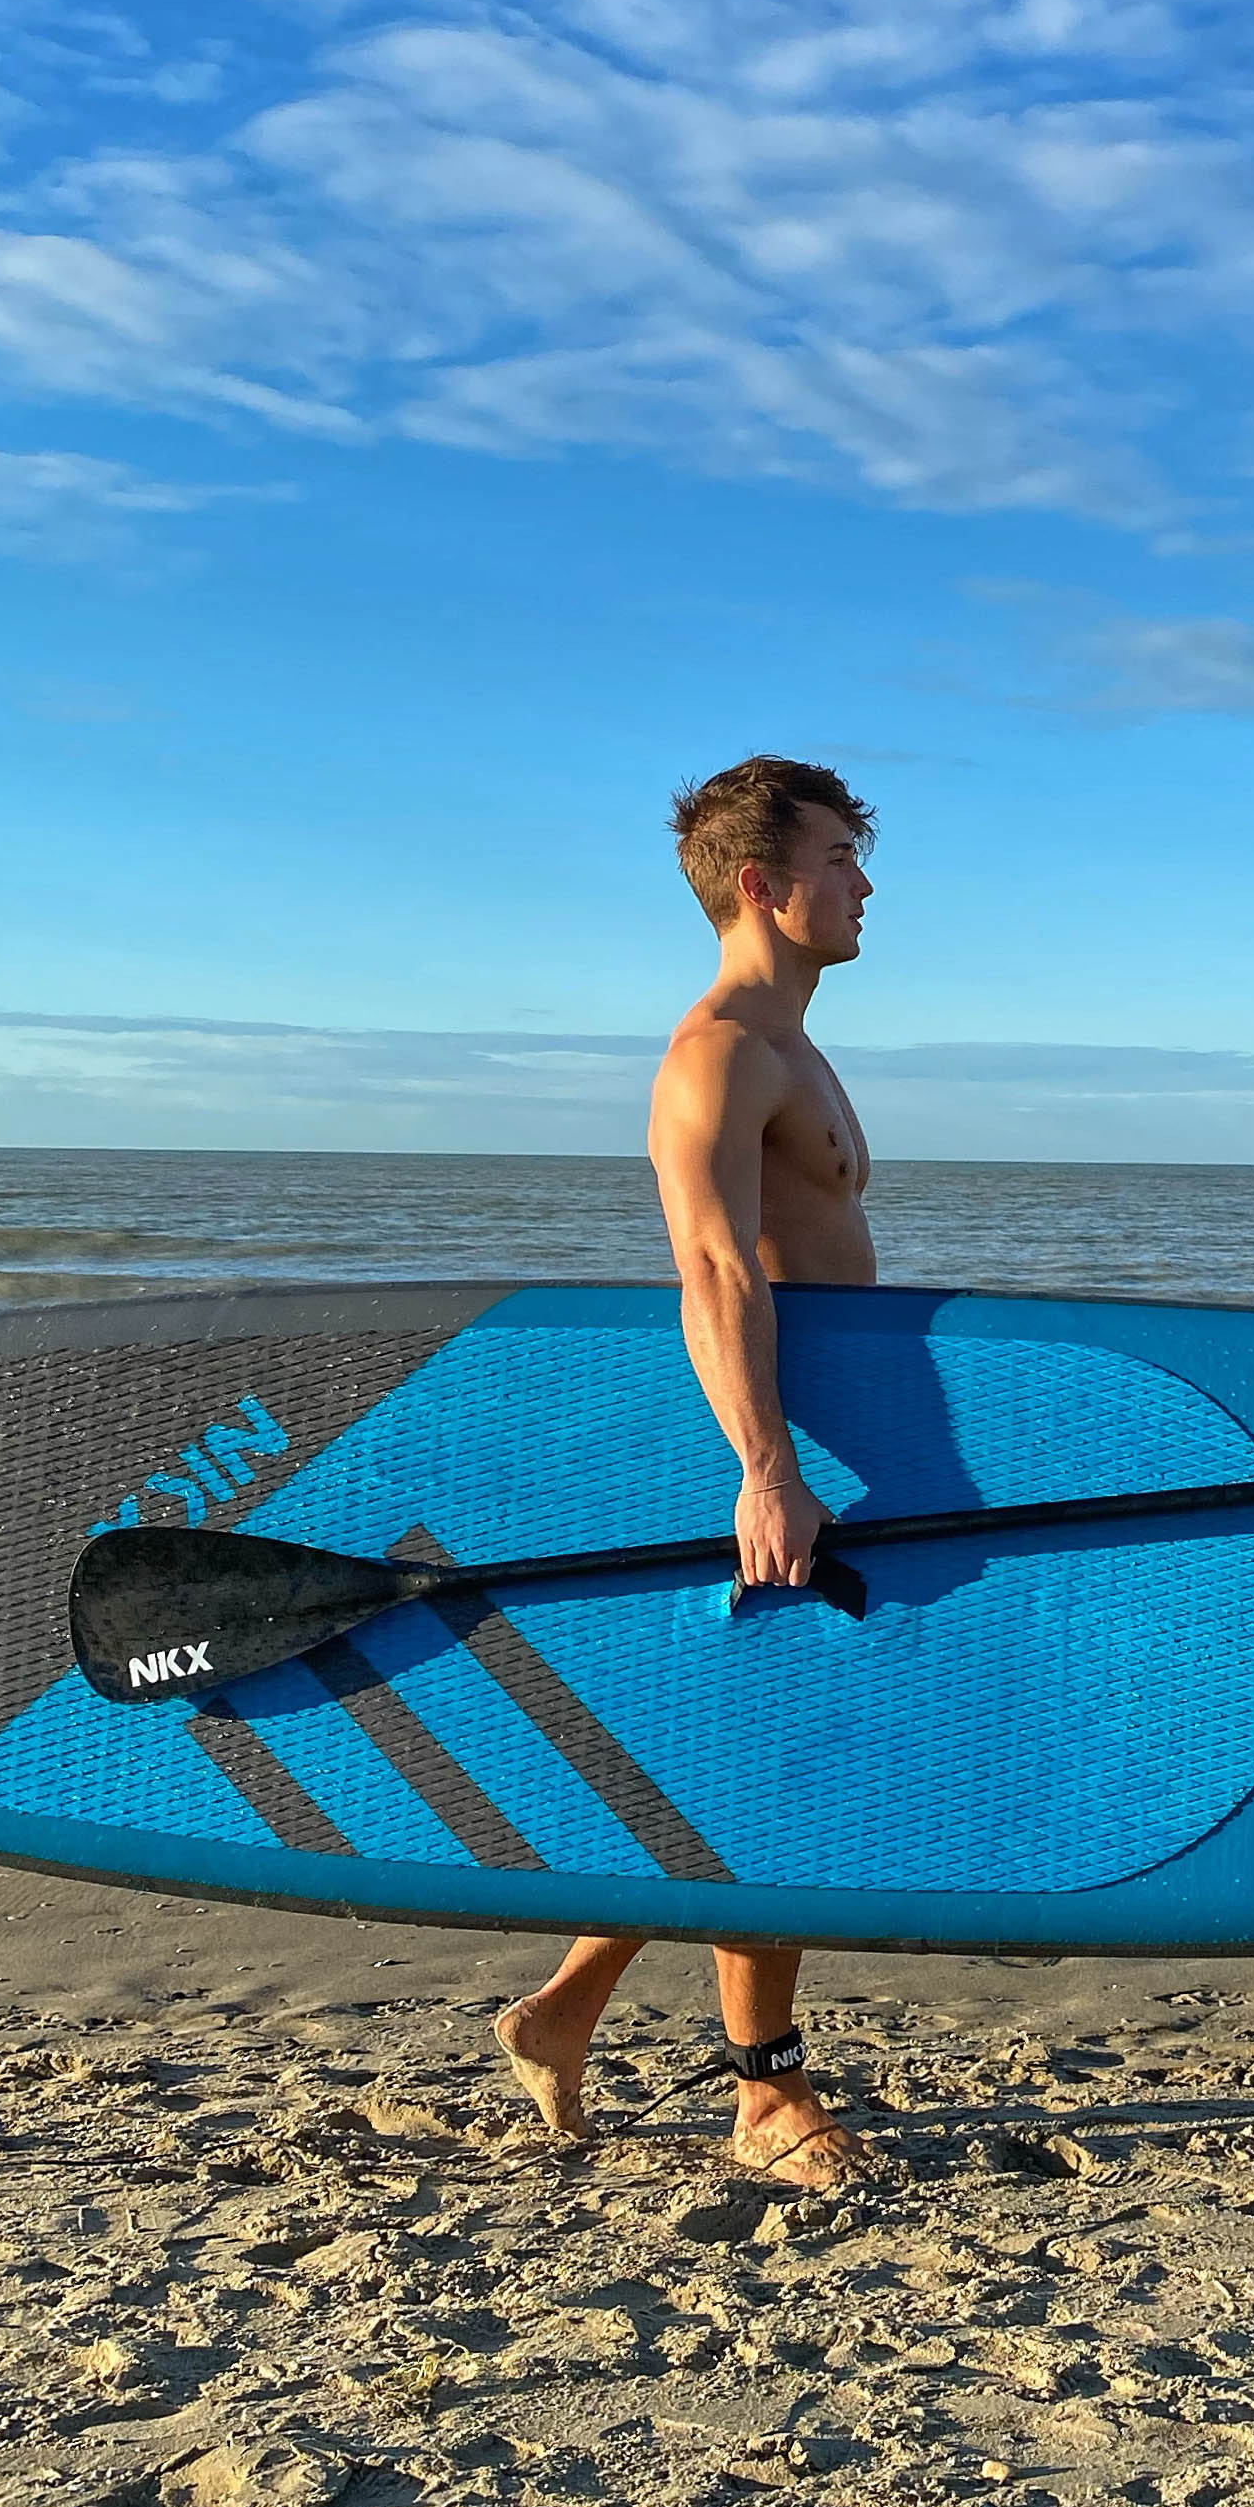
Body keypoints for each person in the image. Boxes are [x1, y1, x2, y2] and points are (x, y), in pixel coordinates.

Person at [493, 755, 878, 2186]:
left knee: (743, 1757)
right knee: (774, 1766)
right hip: (765, 1449)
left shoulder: (792, 1046)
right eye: (837, 859)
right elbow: (711, 1267)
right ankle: (765, 2096)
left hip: (821, 1444)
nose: (864, 885)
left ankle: (564, 2009)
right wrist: (766, 1469)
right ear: (761, 884)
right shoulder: (720, 1052)